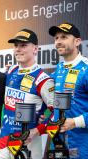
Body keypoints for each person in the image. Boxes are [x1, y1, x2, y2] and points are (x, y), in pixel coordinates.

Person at [0, 29, 54, 159]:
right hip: (4, 139)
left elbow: (59, 113)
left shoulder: (43, 80)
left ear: (35, 49)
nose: (18, 49)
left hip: (28, 143)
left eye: (23, 45)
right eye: (16, 46)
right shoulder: (11, 70)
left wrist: (36, 131)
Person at [49, 22, 88, 158]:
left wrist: (75, 122)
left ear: (77, 41)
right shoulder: (58, 69)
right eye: (56, 38)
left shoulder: (86, 69)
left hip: (83, 146)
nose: (58, 42)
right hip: (58, 145)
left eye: (64, 37)